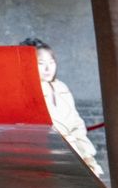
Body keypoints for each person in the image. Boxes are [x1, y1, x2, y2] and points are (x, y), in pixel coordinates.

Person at [21, 37, 105, 178]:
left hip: (74, 152)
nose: (48, 68)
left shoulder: (61, 87)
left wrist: (87, 156)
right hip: (47, 156)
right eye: (41, 63)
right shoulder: (28, 91)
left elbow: (76, 124)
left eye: (51, 62)